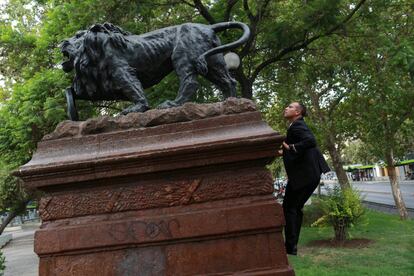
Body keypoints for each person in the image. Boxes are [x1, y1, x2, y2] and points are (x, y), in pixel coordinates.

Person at [280, 102, 330, 255]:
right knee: (293, 208)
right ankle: (291, 246)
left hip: (306, 175)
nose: (285, 108)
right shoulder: (294, 126)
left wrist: (291, 148)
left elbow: (310, 141)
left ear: (297, 112)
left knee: (289, 208)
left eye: (289, 106)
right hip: (309, 175)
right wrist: (286, 149)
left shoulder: (297, 125)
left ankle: (290, 246)